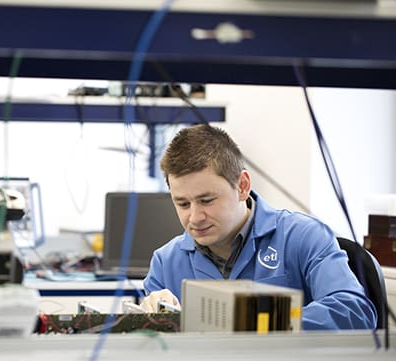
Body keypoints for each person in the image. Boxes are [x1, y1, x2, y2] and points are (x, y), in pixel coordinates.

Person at [140, 124, 376, 330]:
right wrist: (149, 322)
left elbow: (354, 312)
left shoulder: (304, 236)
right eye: (182, 203)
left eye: (207, 200)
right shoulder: (165, 263)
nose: (195, 217)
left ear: (242, 186)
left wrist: (262, 321)